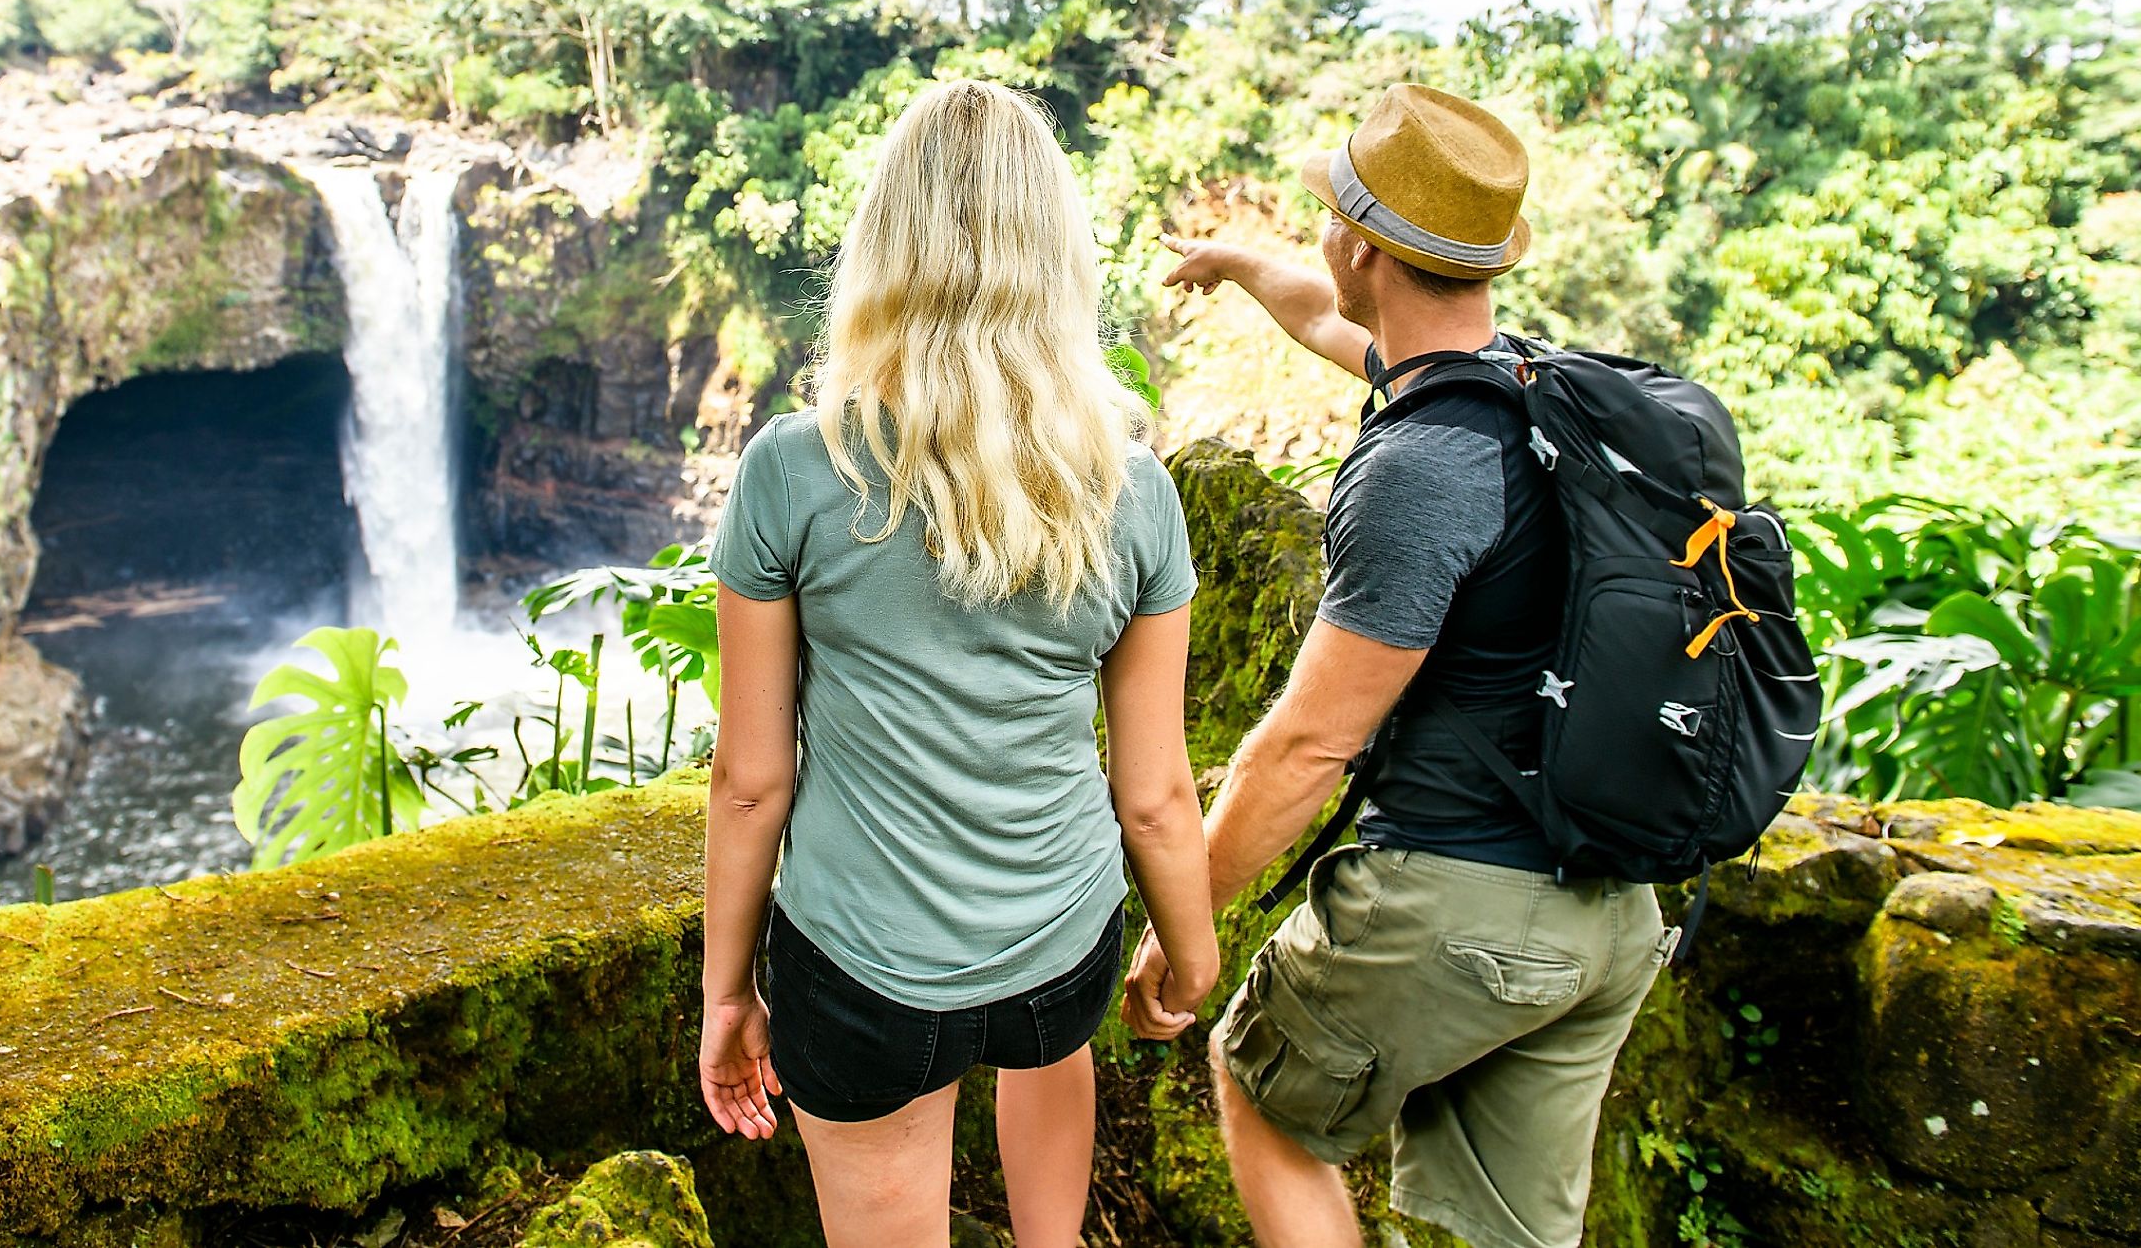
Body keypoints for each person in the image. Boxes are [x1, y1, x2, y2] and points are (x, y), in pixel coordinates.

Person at [1127, 84, 1669, 1248]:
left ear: (1362, 243)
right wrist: (1234, 259)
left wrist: (1188, 927)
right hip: (1612, 912)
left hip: (1463, 901)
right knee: (1508, 1234)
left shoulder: (1418, 468)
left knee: (1266, 1091)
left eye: (1332, 214)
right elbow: (1329, 317)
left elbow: (1311, 745)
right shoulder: (1534, 389)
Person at [696, 78, 1221, 1248]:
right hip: (1061, 951)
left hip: (864, 972)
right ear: (1060, 257)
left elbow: (751, 780)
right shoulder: (1132, 492)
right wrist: (1189, 959)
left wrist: (727, 992)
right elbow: (1155, 793)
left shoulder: (793, 469)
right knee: (1050, 1054)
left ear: (884, 246)